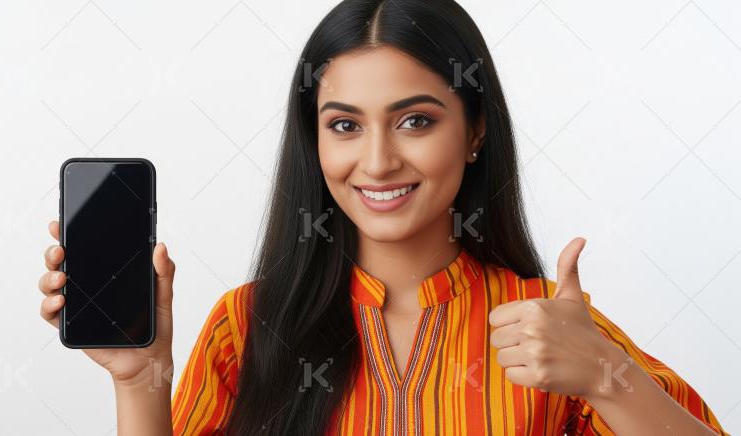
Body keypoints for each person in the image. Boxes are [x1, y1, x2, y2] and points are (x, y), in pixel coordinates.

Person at [37, 0, 728, 434]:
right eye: (344, 125)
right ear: (314, 140)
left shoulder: (550, 331)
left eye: (416, 121)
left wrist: (607, 374)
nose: (377, 160)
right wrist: (138, 379)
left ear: (476, 130)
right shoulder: (244, 327)